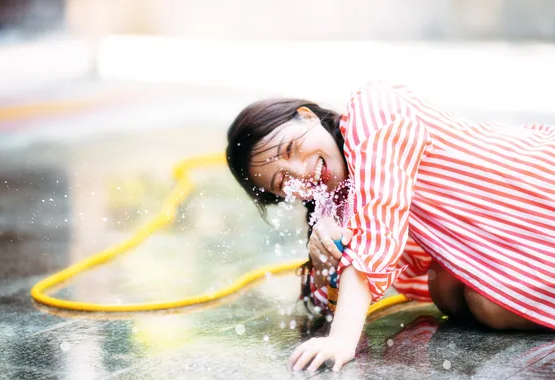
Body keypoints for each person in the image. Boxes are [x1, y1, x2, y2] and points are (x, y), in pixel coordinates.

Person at [225, 81, 555, 373]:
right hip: (504, 239)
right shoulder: (337, 202)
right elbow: (328, 299)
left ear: (307, 116)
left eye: (291, 149)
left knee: (487, 302)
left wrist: (342, 340)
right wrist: (326, 266)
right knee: (452, 289)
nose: (302, 172)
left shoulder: (373, 111)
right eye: (284, 181)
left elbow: (377, 230)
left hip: (538, 192)